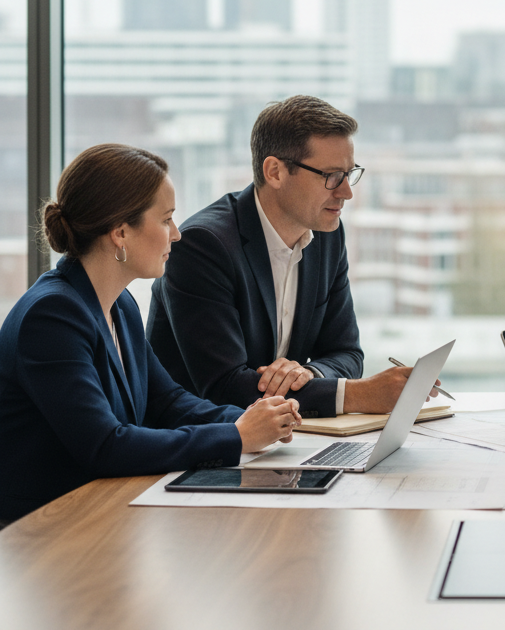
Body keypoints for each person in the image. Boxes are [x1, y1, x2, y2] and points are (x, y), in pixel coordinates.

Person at [0, 144, 300, 524]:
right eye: (166, 220)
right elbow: (105, 445)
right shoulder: (52, 316)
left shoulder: (119, 303)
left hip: (100, 513)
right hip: (42, 530)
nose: (176, 235)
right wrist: (238, 437)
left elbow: (167, 402)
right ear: (121, 232)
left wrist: (257, 419)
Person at [148, 95, 432, 417]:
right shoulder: (203, 246)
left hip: (285, 438)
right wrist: (356, 395)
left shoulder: (327, 235)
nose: (346, 192)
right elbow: (224, 387)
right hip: (201, 446)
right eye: (331, 176)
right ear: (275, 172)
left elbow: (346, 352)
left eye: (349, 174)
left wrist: (309, 374)